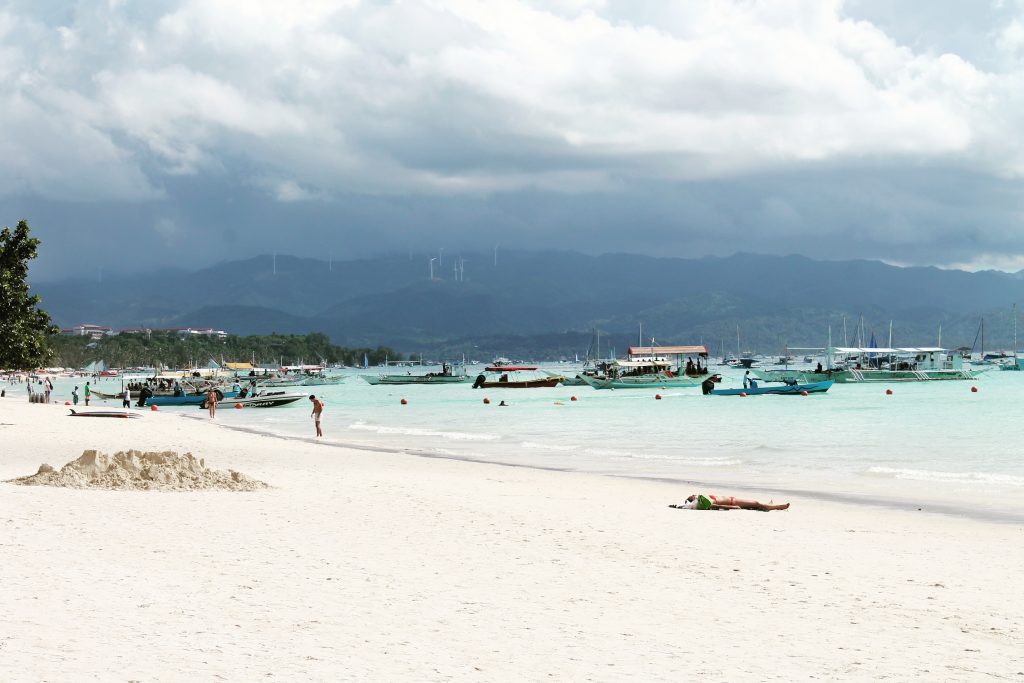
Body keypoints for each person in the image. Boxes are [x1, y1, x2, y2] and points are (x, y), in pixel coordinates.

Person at [670, 494, 790, 512]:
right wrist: (735, 507)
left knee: (755, 503)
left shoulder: (704, 499)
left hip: (733, 499)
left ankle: (768, 504)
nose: (695, 495)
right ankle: (777, 507)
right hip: (734, 502)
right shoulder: (707, 503)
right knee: (756, 503)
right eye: (693, 496)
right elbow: (720, 506)